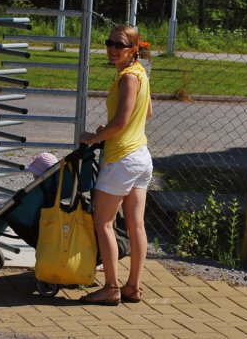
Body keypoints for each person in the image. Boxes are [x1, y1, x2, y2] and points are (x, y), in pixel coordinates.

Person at [79, 24, 153, 305]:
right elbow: (146, 112)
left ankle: (111, 288)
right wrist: (111, 128)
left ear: (133, 50)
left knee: (104, 223)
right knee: (136, 225)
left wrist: (95, 136)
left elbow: (122, 122)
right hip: (141, 157)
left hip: (122, 158)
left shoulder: (127, 79)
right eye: (109, 43)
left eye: (119, 45)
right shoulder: (140, 73)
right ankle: (133, 287)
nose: (112, 49)